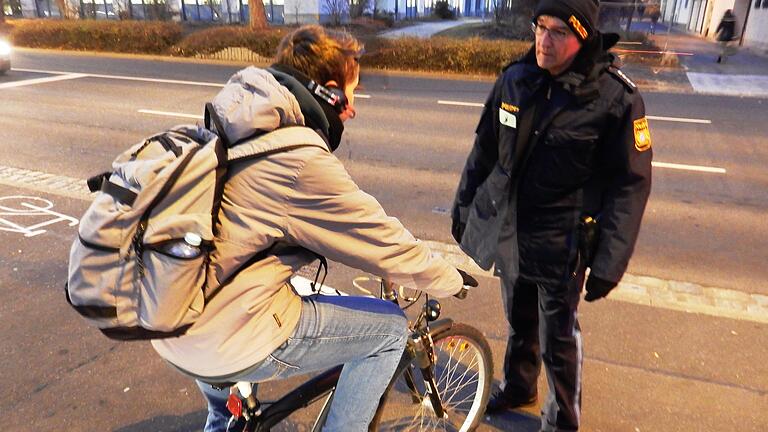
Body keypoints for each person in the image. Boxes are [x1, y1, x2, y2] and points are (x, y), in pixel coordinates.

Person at [150, 25, 474, 432]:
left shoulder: (230, 119)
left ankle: (224, 422)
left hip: (170, 317)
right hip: (225, 334)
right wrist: (447, 277)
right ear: (333, 91)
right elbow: (378, 239)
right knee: (390, 331)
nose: (352, 109)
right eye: (352, 95)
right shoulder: (297, 158)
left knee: (229, 415)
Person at [451, 0, 652, 430]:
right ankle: (521, 386)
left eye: (558, 31)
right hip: (512, 232)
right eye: (540, 27)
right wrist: (463, 206)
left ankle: (562, 420)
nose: (544, 39)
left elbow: (630, 186)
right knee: (519, 319)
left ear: (584, 36)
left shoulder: (615, 99)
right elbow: (485, 150)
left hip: (564, 244)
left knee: (558, 337)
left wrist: (610, 262)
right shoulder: (515, 79)